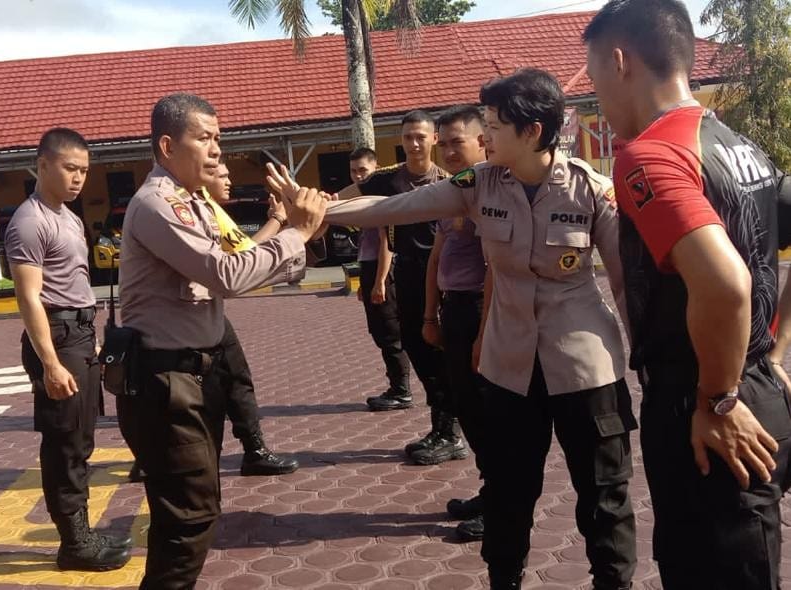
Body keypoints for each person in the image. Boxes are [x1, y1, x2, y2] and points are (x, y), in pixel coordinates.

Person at [270, 68, 639, 590]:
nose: (484, 135)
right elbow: (394, 206)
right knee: (508, 495)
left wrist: (646, 357)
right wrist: (320, 211)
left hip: (586, 369)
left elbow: (625, 286)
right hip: (509, 368)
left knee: (605, 498)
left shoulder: (591, 190)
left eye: (493, 124)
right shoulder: (478, 184)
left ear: (532, 130)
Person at [583, 2, 791, 587]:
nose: (597, 99)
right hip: (754, 386)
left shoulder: (650, 155)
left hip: (705, 404)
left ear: (620, 62)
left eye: (595, 79)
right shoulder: (735, 143)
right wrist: (771, 358)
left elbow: (726, 284)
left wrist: (718, 399)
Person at [116, 93, 325, 589]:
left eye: (218, 139)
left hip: (193, 378)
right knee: (189, 520)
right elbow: (229, 273)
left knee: (194, 512)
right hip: (166, 382)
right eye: (204, 138)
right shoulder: (158, 204)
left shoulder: (195, 202)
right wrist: (297, 232)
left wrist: (305, 232)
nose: (215, 151)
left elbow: (248, 259)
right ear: (167, 145)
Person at [5, 128, 132, 572]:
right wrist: (51, 363)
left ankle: (81, 531)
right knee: (65, 444)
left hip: (78, 334)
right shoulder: (29, 221)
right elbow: (29, 299)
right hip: (57, 340)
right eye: (70, 168)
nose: (79, 179)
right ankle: (74, 542)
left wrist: (90, 332)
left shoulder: (70, 217)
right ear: (42, 165)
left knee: (81, 437)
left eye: (84, 171)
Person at [343, 110, 468, 463]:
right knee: (416, 349)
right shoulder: (388, 179)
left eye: (421, 137)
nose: (414, 144)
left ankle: (451, 432)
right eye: (408, 137)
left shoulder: (447, 181)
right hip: (408, 276)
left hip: (445, 279)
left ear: (433, 140)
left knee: (442, 355)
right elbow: (344, 197)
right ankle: (440, 427)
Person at [203, 162, 299, 476]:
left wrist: (278, 219)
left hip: (208, 310)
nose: (230, 180)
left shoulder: (208, 207)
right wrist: (284, 222)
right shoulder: (203, 206)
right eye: (222, 174)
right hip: (194, 314)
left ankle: (254, 449)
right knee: (221, 386)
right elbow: (246, 254)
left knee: (236, 379)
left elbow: (244, 250)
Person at [421, 105, 489, 540]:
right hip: (456, 311)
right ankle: (491, 489)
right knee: (466, 405)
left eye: (456, 142)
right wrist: (430, 314)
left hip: (485, 310)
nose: (446, 150)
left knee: (489, 412)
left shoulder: (492, 192)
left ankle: (503, 504)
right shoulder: (452, 190)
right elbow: (436, 256)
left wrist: (485, 333)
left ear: (482, 141)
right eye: (441, 143)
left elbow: (499, 267)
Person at [350, 148, 413, 409]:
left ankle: (401, 390)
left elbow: (387, 243)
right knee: (378, 330)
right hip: (368, 268)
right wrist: (365, 284)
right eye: (353, 171)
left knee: (390, 333)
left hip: (382, 271)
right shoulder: (363, 199)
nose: (358, 176)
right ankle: (395, 386)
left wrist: (380, 281)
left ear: (375, 168)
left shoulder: (379, 199)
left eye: (363, 170)